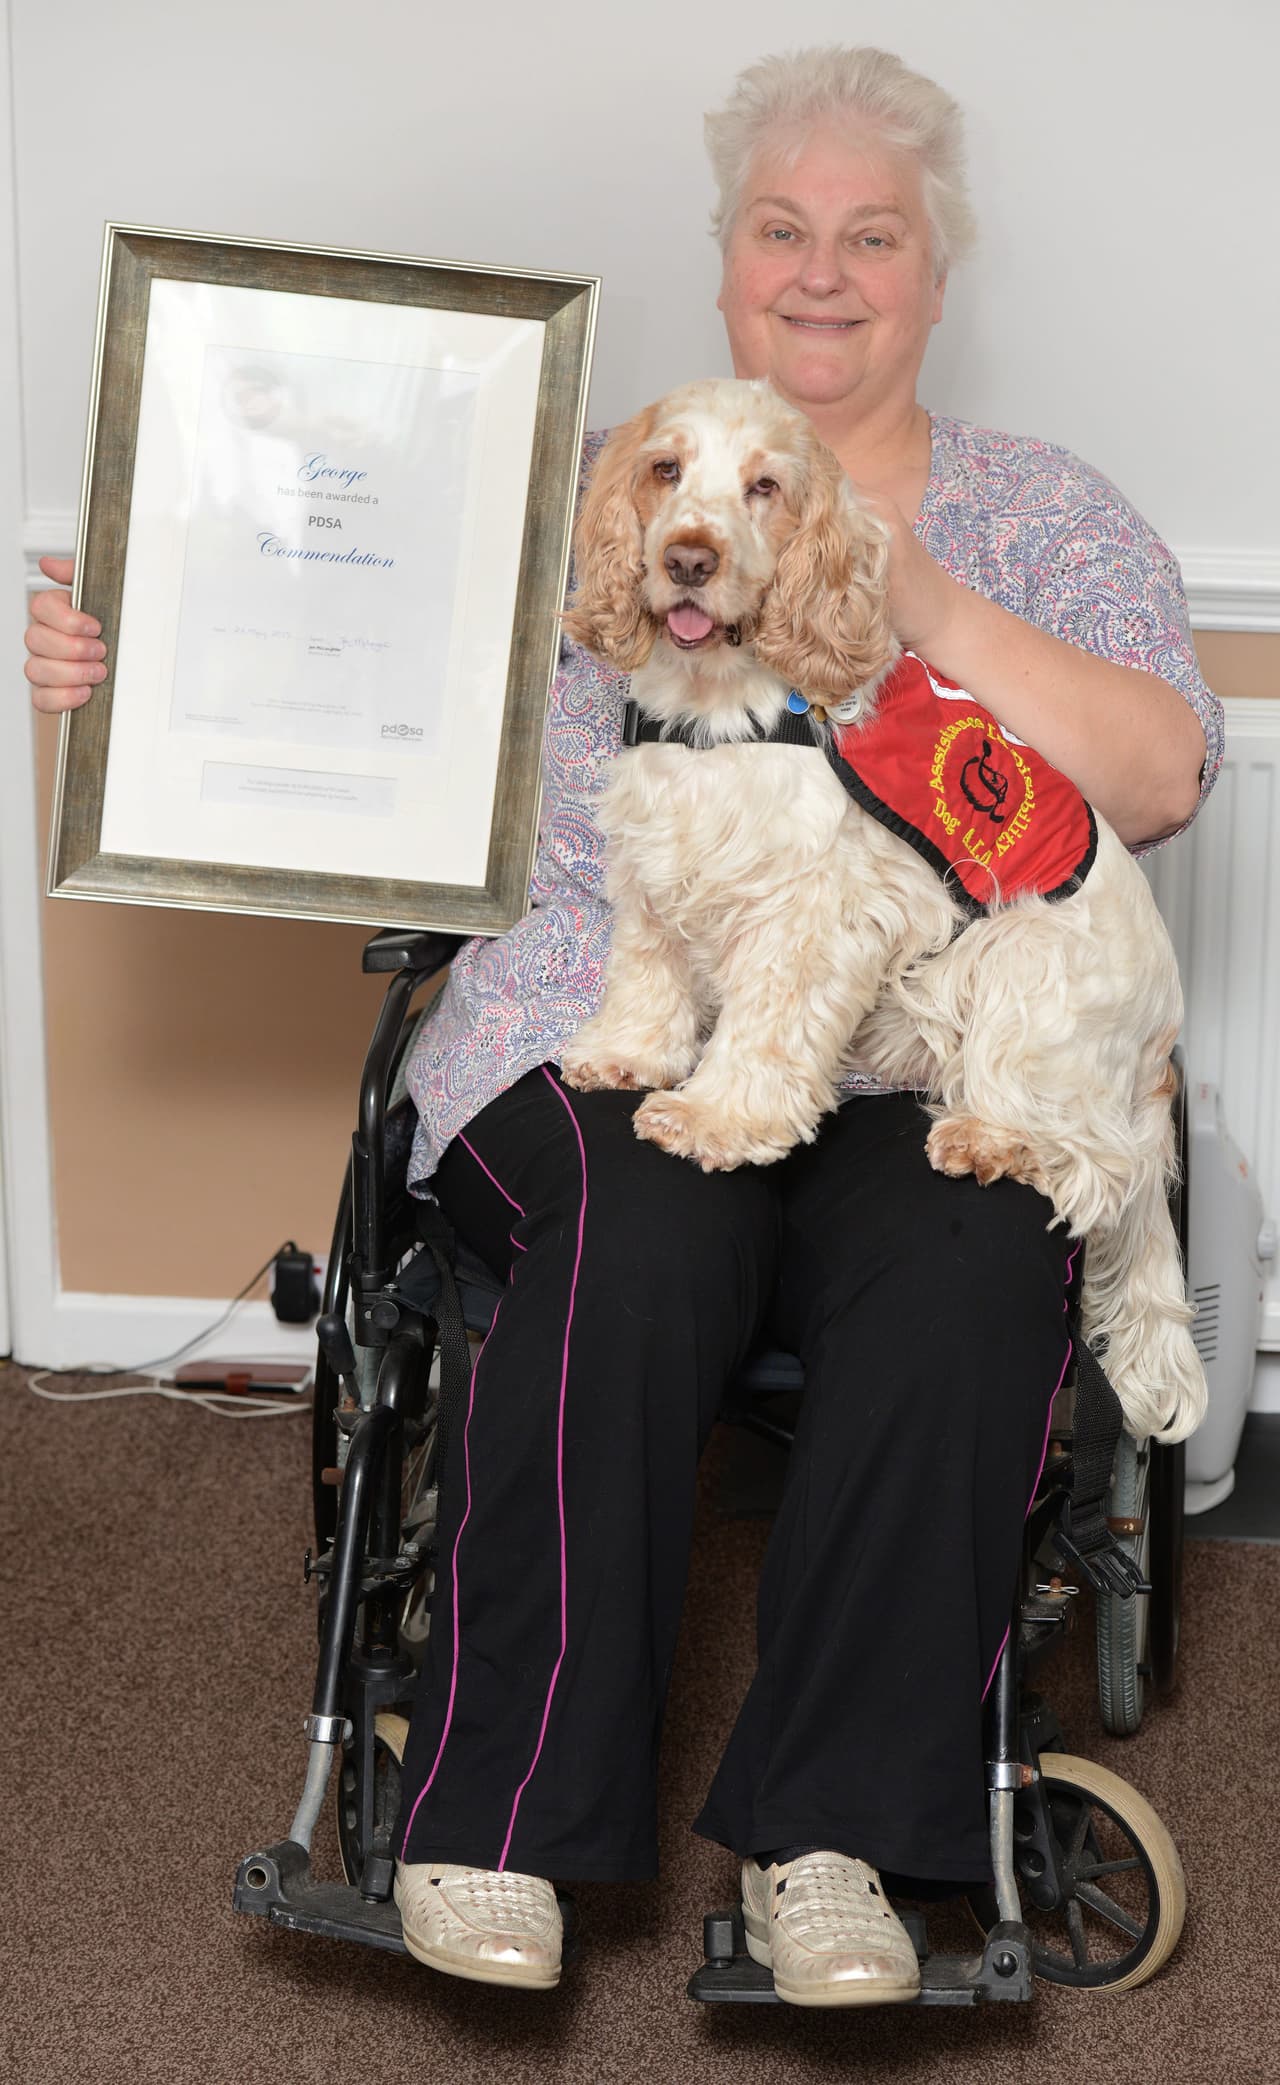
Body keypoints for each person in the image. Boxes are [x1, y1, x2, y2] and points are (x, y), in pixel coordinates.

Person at [26, 46, 1221, 2007]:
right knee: (637, 1222)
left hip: (912, 1043)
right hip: (596, 1014)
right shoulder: (594, 464)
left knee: (973, 1242)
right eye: (780, 230)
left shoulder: (1043, 513)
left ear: (938, 270)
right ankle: (500, 1824)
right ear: (726, 258)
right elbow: (329, 648)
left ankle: (838, 1834)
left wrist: (904, 585)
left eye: (871, 235)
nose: (822, 273)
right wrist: (128, 659)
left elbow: (1159, 776)